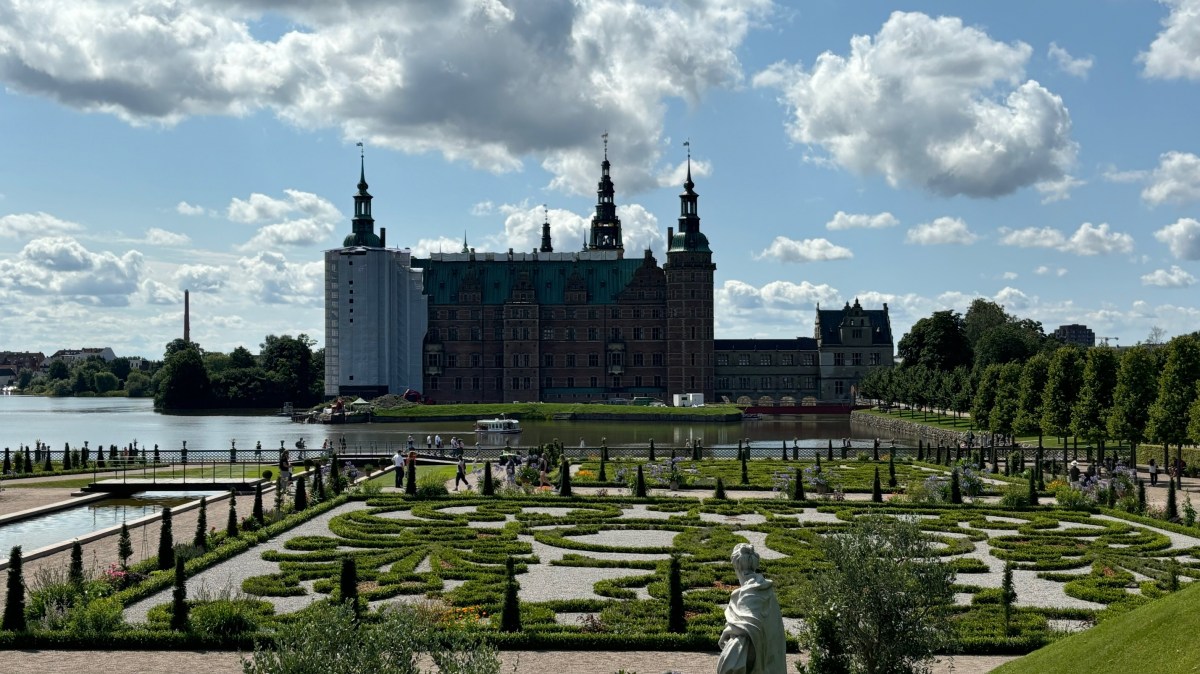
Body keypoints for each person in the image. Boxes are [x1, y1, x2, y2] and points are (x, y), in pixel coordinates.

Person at [717, 543, 787, 674]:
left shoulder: (748, 593)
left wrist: (728, 631)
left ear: (736, 567)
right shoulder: (767, 592)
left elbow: (749, 628)